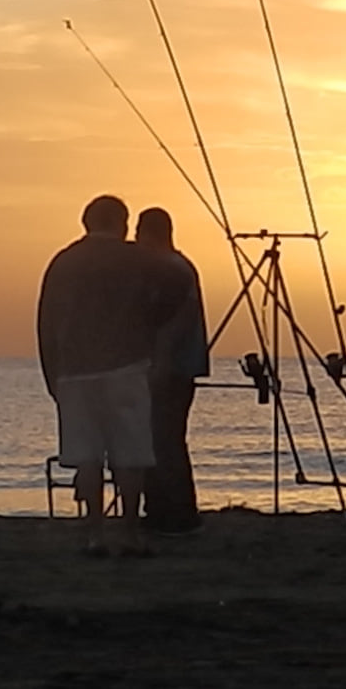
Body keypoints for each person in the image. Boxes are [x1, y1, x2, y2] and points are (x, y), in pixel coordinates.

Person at [37, 194, 192, 557]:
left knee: (87, 456)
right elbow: (180, 282)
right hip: (127, 365)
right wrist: (152, 329)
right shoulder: (139, 258)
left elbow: (46, 321)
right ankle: (129, 532)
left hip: (74, 372)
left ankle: (94, 532)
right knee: (131, 453)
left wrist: (51, 371)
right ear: (121, 224)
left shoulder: (63, 262)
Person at [135, 207, 210, 536]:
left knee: (161, 440)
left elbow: (172, 324)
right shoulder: (179, 267)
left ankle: (174, 512)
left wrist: (159, 361)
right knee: (165, 439)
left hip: (171, 369)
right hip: (179, 367)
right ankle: (167, 509)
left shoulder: (170, 270)